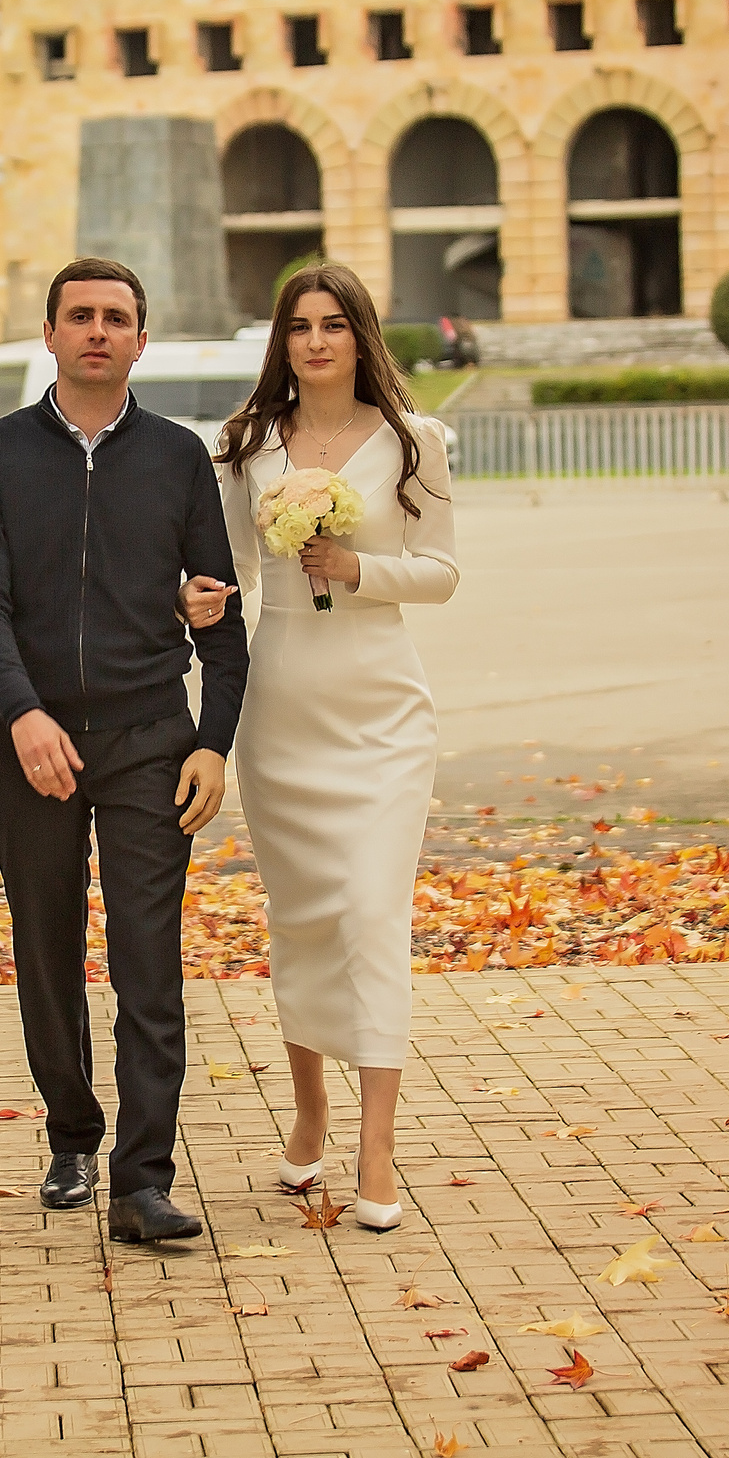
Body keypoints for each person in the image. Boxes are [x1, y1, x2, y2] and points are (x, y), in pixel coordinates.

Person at [0, 256, 250, 1244]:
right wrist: (24, 713)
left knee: (147, 959)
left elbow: (218, 610)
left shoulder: (175, 458)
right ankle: (71, 1133)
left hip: (146, 739)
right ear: (48, 335)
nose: (96, 331)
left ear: (139, 341)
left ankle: (143, 1180)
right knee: (46, 952)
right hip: (27, 739)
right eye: (78, 316)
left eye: (115, 318)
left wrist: (213, 741)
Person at [185, 261, 458, 1232]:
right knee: (301, 918)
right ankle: (309, 1112)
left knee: (374, 913)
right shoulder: (246, 444)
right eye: (297, 324)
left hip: (382, 708)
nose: (314, 340)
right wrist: (199, 597)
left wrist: (358, 567)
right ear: (281, 339)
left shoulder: (413, 443)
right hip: (284, 702)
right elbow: (221, 573)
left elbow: (442, 573)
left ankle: (377, 1145)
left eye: (333, 323)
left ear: (360, 335)